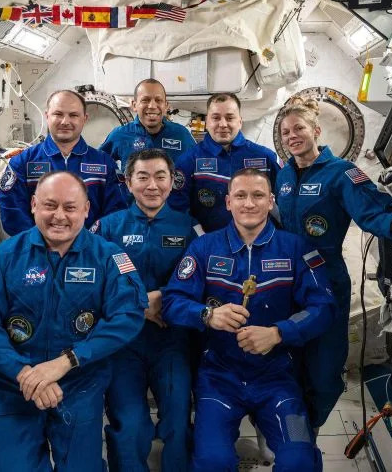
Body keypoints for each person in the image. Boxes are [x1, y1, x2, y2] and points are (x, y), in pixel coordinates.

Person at [0, 171, 147, 472]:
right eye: (50, 205)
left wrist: (66, 362)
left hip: (79, 385)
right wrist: (24, 373)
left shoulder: (108, 258)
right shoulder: (6, 257)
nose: (59, 216)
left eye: (70, 207)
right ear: (34, 205)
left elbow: (127, 315)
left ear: (86, 210)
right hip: (16, 387)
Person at [274, 97, 392, 431]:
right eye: (286, 132)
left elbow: (372, 212)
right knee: (289, 363)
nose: (292, 136)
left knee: (325, 369)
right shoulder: (284, 176)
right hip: (287, 283)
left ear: (316, 130)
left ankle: (311, 427)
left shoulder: (342, 173)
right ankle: (291, 434)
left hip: (326, 280)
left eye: (299, 128)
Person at [162, 168, 335, 472]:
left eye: (258, 195)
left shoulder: (296, 248)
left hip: (278, 379)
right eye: (240, 196)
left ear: (271, 201)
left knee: (300, 459)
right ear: (228, 202)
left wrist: (279, 333)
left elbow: (324, 307)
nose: (249, 203)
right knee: (212, 461)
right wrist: (208, 315)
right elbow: (172, 302)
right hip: (219, 378)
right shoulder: (204, 248)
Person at [91, 149, 202, 472]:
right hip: (122, 343)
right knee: (129, 424)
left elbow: (204, 280)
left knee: (178, 419)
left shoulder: (190, 228)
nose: (152, 185)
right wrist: (139, 306)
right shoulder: (106, 229)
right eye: (142, 177)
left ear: (172, 182)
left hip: (172, 342)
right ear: (128, 182)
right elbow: (90, 284)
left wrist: (163, 297)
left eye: (160, 176)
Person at [0, 89, 126, 236]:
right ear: (47, 116)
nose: (65, 122)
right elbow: (12, 210)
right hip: (37, 248)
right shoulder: (22, 163)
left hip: (91, 248)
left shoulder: (104, 164)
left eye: (73, 115)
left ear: (84, 118)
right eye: (58, 114)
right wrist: (40, 242)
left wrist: (90, 243)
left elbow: (116, 212)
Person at [169, 93, 282, 232]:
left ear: (240, 121)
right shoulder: (189, 160)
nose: (223, 124)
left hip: (258, 241)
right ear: (207, 122)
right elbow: (177, 206)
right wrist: (199, 235)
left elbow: (285, 201)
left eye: (229, 118)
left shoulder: (266, 158)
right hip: (208, 241)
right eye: (216, 118)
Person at [100, 79, 196, 167]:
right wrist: (115, 179)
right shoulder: (120, 135)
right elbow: (98, 164)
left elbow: (197, 167)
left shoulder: (182, 134)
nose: (152, 106)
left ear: (166, 106)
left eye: (158, 100)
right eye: (145, 100)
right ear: (134, 105)